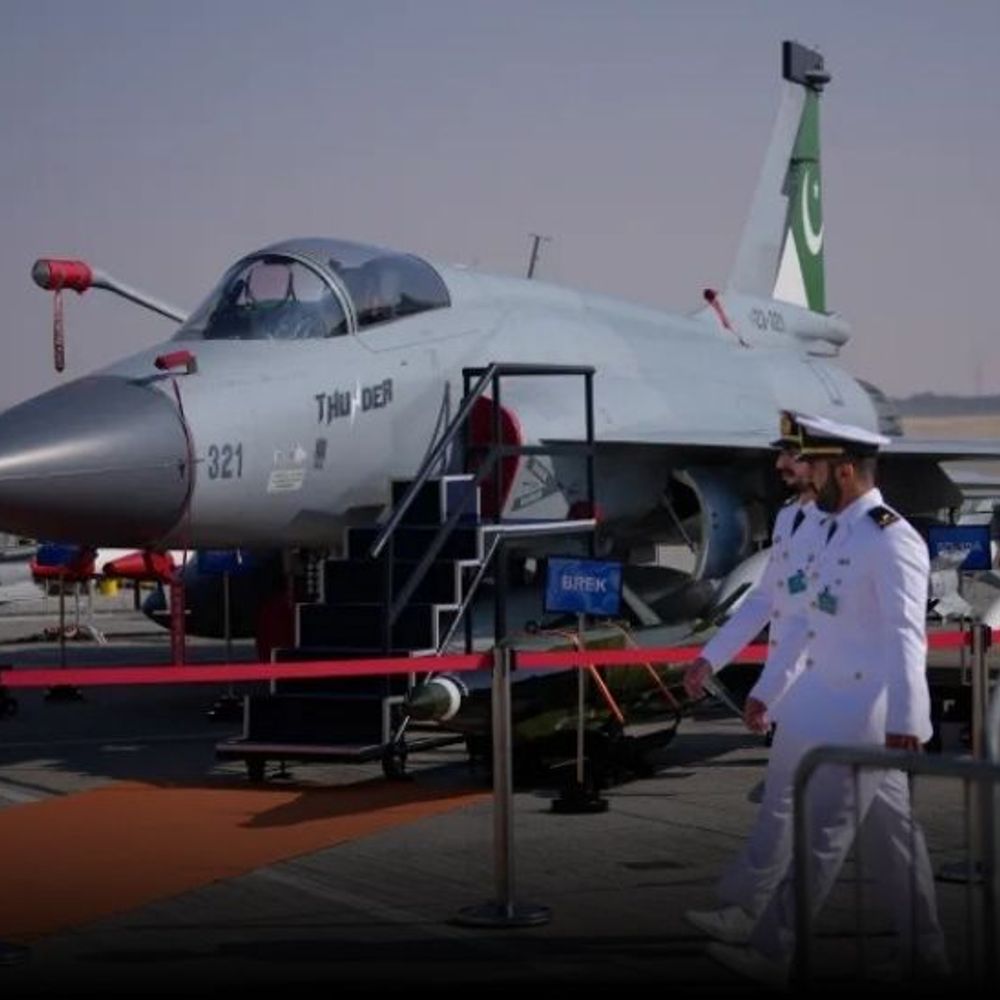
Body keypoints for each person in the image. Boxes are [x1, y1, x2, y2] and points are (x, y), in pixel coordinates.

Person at [703, 414, 948, 987]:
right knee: (893, 838)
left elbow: (905, 636)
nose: (802, 474)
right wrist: (768, 691)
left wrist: (909, 722)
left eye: (811, 464)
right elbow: (801, 622)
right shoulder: (830, 529)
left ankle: (774, 953)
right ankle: (926, 955)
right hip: (823, 700)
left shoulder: (890, 538)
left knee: (822, 835)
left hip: (866, 712)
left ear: (843, 470)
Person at [683, 410, 827, 944]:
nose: (781, 464)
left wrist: (767, 691)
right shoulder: (791, 518)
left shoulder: (842, 528)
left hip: (832, 692)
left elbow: (811, 623)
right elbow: (767, 600)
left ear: (823, 463)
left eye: (792, 455)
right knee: (796, 807)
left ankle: (767, 932)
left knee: (822, 822)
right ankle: (926, 944)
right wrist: (711, 658)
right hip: (805, 692)